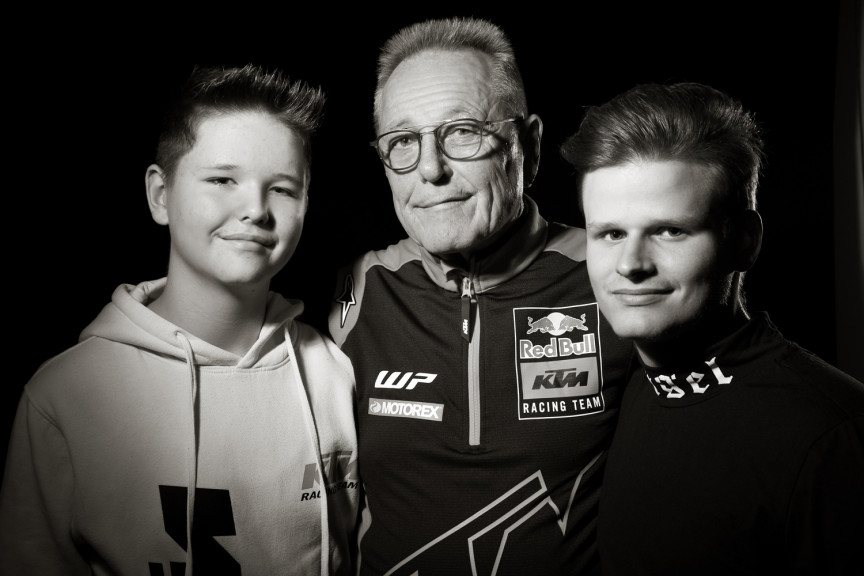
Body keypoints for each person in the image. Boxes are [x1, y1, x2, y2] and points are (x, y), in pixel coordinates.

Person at [0, 64, 359, 575]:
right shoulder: (63, 395)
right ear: (160, 195)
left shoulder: (336, 375)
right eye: (222, 180)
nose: (255, 209)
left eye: (283, 188)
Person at [327, 17, 634, 575]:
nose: (430, 169)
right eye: (402, 142)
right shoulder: (356, 292)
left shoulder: (613, 273)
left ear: (528, 145)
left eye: (463, 131)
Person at [560, 81, 864, 575]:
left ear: (744, 241)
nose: (631, 265)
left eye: (670, 230)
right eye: (611, 233)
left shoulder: (833, 438)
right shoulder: (617, 389)